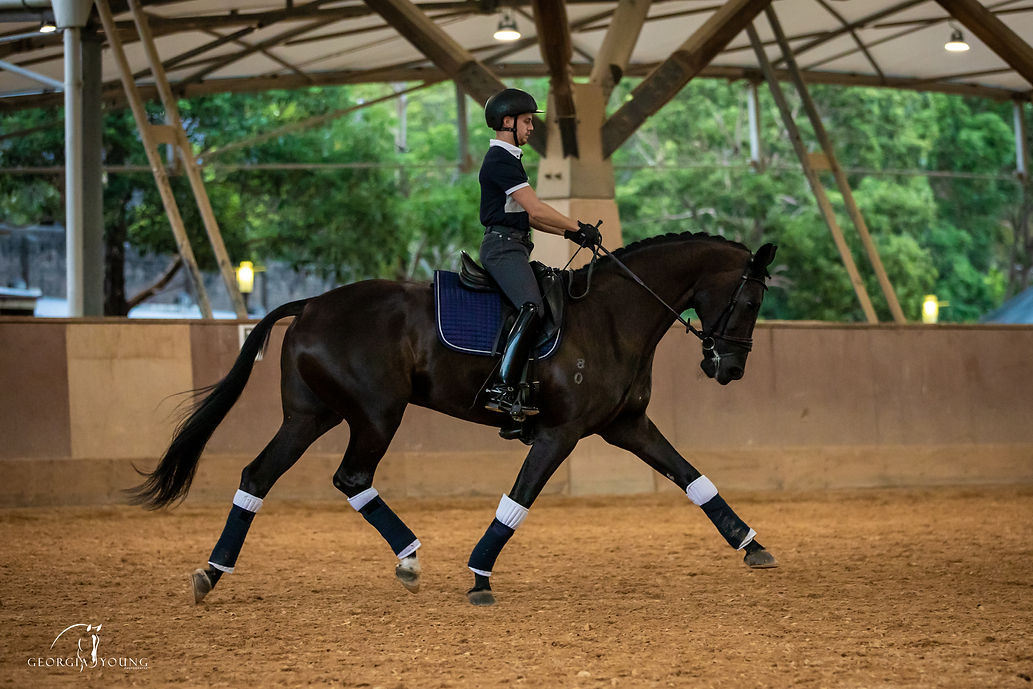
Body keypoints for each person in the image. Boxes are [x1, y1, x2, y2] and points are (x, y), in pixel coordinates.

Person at [478, 87, 601, 418]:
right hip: (503, 248)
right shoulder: (501, 160)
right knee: (532, 307)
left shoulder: (511, 161)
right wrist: (577, 226)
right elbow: (537, 208)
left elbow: (530, 218)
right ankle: (503, 387)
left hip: (515, 243)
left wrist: (573, 236)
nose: (531, 128)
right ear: (508, 121)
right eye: (528, 121)